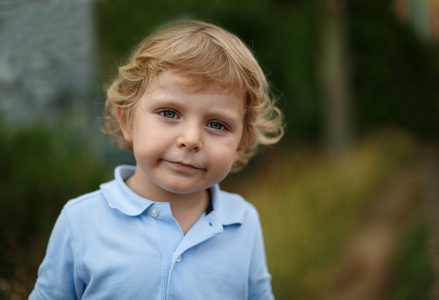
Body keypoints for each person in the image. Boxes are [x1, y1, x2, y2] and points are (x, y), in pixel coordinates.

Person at [30, 20, 284, 300]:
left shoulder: (242, 222)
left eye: (217, 124)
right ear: (127, 120)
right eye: (170, 113)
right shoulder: (81, 221)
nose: (191, 139)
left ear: (241, 145)